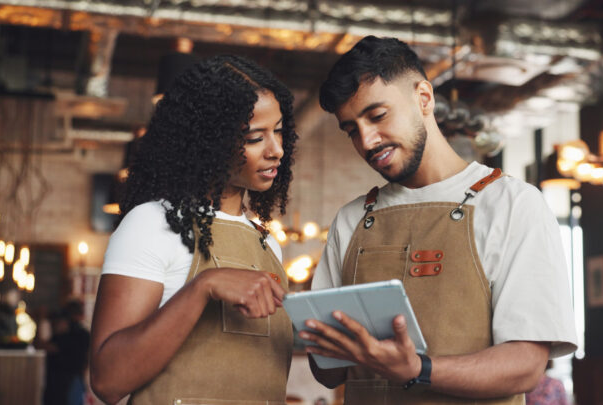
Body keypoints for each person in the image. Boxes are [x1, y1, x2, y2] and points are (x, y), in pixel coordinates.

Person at [301, 36, 578, 404]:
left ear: (424, 98)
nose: (367, 141)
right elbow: (327, 371)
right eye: (352, 129)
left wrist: (417, 369)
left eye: (378, 116)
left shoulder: (513, 204)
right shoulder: (351, 219)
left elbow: (526, 366)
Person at [89, 55, 298, 405]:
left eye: (278, 131)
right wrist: (203, 286)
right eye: (254, 137)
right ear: (209, 141)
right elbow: (108, 381)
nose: (276, 150)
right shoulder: (152, 224)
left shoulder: (268, 245)